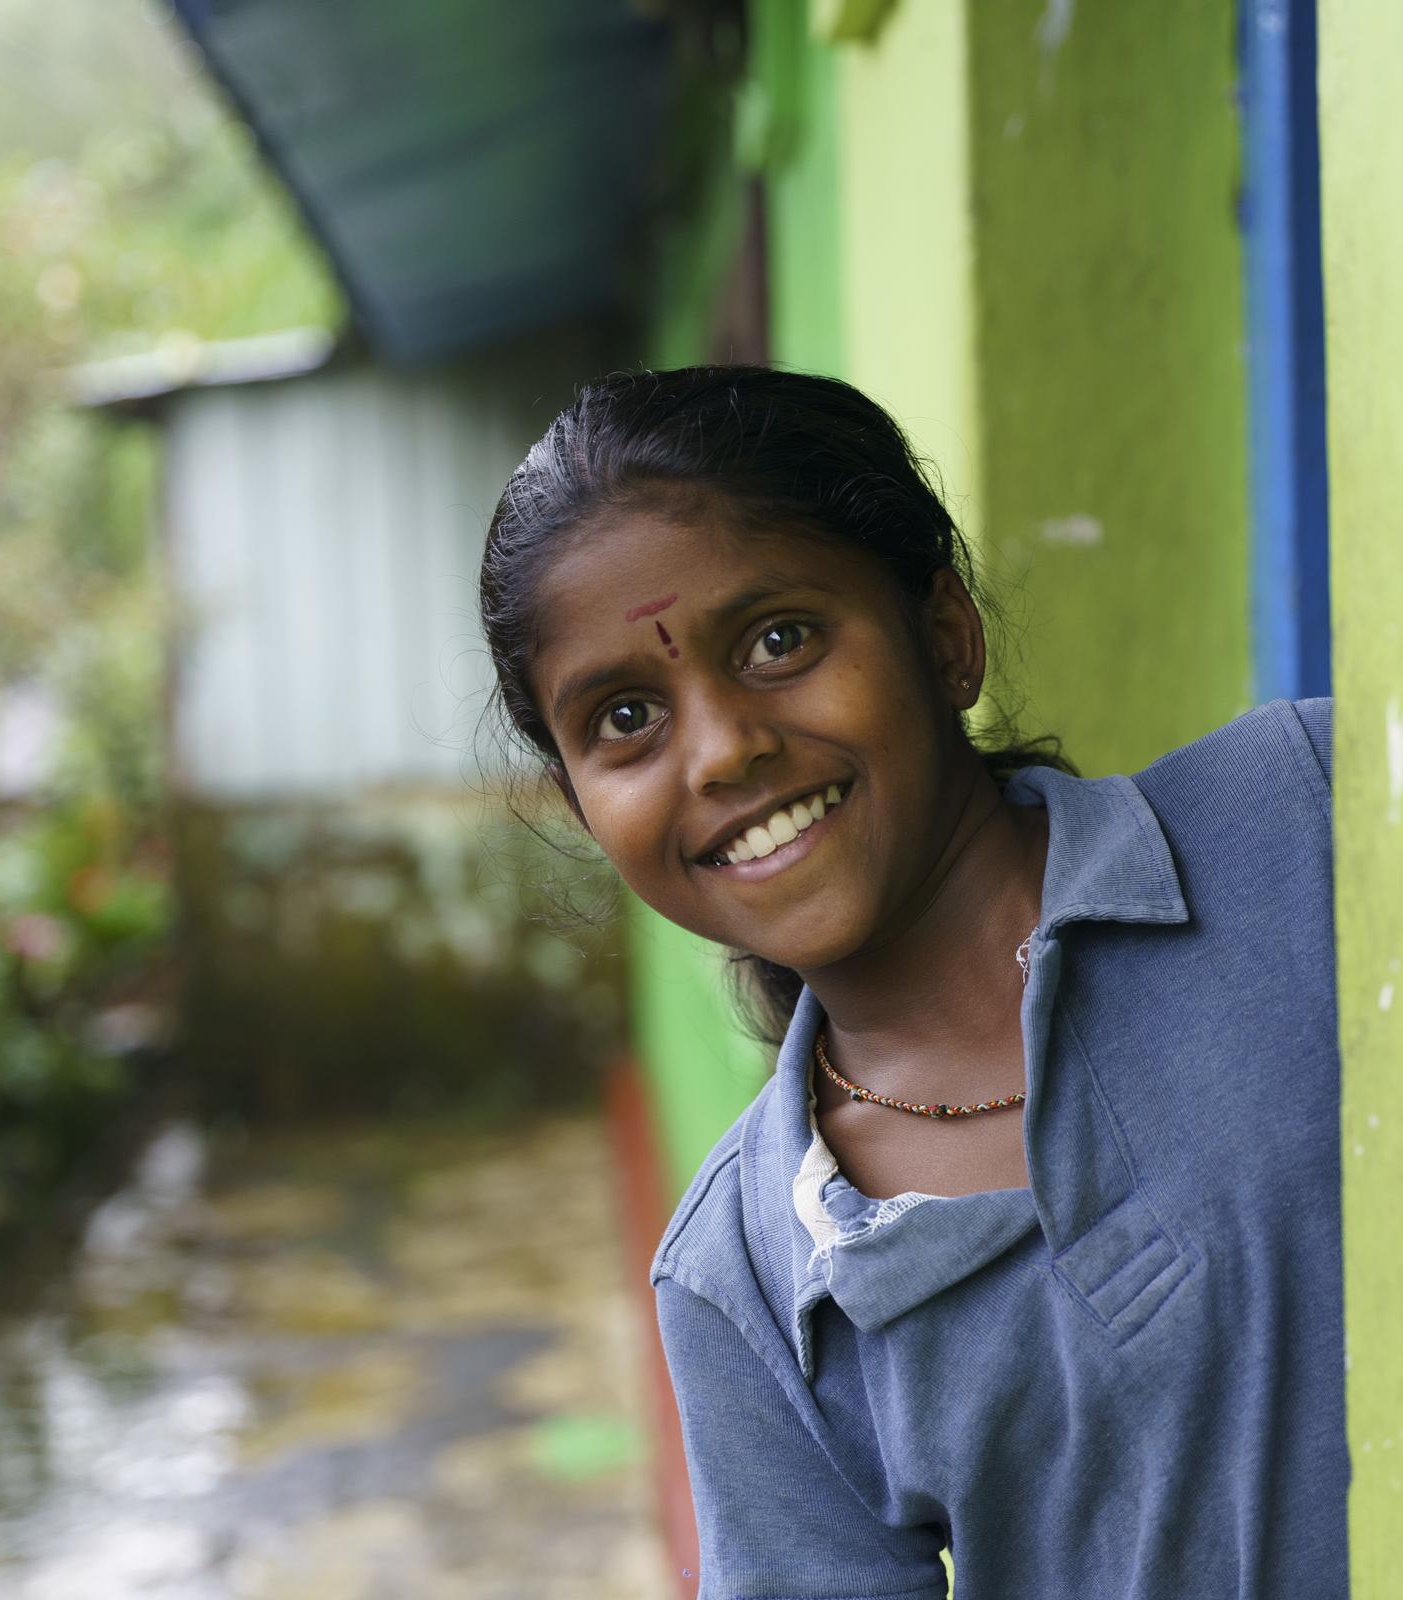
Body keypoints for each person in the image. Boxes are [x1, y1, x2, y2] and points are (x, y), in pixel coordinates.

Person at [479, 367, 1344, 1598]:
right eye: (625, 718)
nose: (722, 750)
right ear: (582, 808)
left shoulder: (1299, 814)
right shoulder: (747, 1276)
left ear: (945, 636)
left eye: (779, 640)